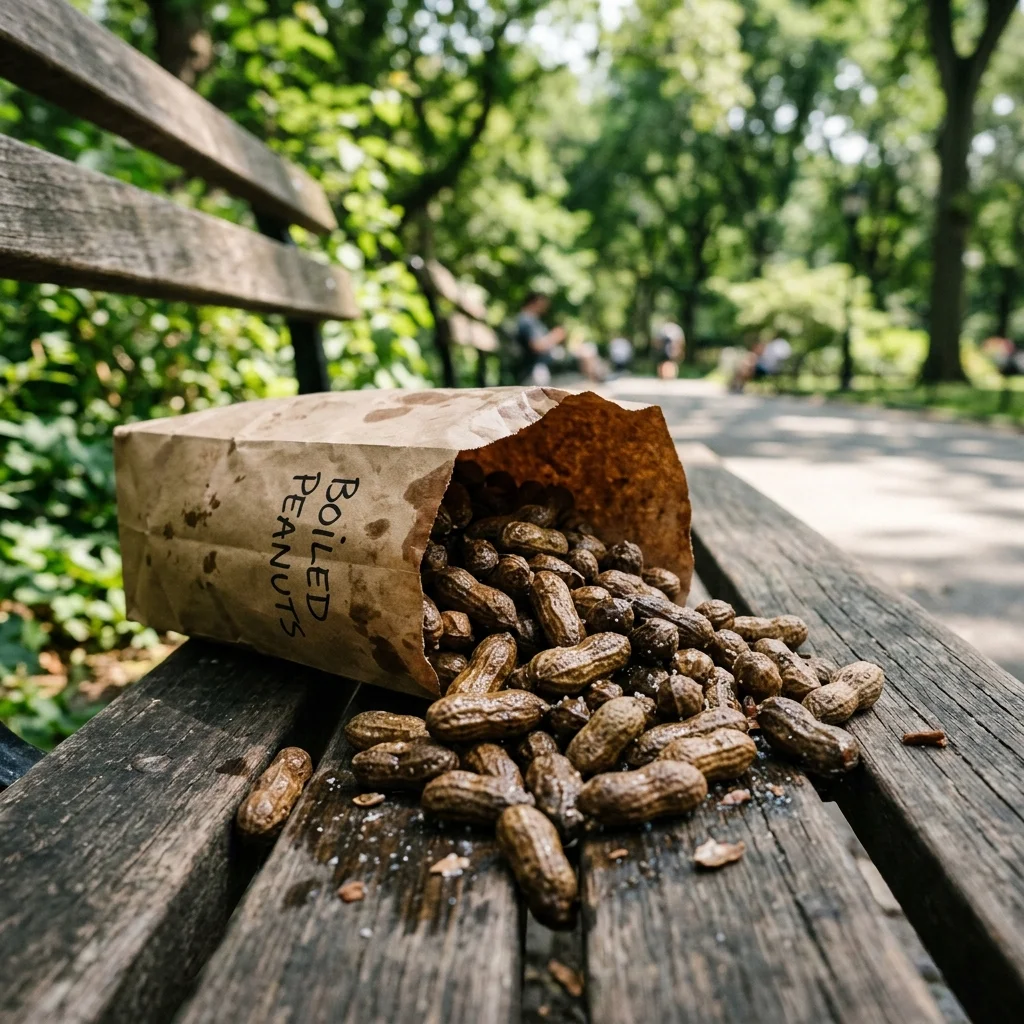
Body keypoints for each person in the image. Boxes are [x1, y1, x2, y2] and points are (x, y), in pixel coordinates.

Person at [515, 292, 565, 385]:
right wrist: (555, 335)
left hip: (542, 367)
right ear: (534, 302)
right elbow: (537, 346)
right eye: (543, 303)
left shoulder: (533, 320)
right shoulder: (526, 320)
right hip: (535, 370)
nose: (545, 307)